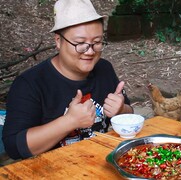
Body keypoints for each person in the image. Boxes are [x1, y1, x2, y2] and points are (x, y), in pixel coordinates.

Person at [2, 0, 133, 160]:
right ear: (58, 41)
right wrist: (69, 121)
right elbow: (14, 147)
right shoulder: (30, 83)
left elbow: (130, 113)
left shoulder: (104, 68)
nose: (90, 51)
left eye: (97, 42)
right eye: (80, 43)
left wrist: (121, 110)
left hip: (101, 163)